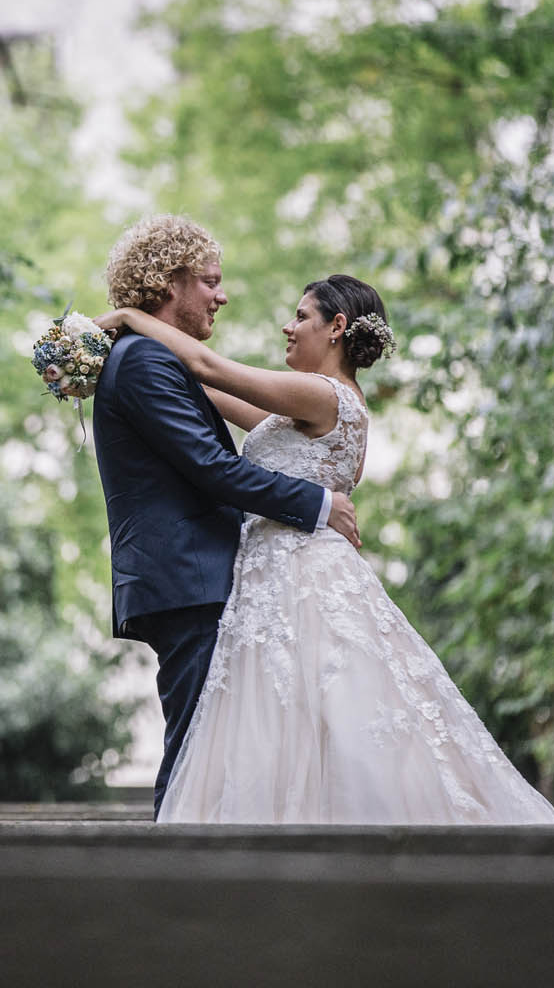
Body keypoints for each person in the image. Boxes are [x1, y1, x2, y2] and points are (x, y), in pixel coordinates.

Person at [96, 274, 554, 825]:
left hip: (299, 576)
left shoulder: (322, 395)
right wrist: (105, 357)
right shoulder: (303, 410)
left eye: (301, 317)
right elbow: (203, 391)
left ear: (337, 327)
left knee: (311, 710)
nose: (288, 327)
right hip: (275, 573)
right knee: (292, 716)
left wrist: (129, 319)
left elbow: (208, 369)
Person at [91, 216, 360, 818]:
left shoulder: (158, 359)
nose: (223, 294)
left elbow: (224, 396)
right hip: (188, 581)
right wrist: (320, 505)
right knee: (195, 756)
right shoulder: (143, 363)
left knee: (216, 755)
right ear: (169, 283)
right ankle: (173, 883)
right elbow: (213, 468)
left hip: (207, 580)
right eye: (210, 281)